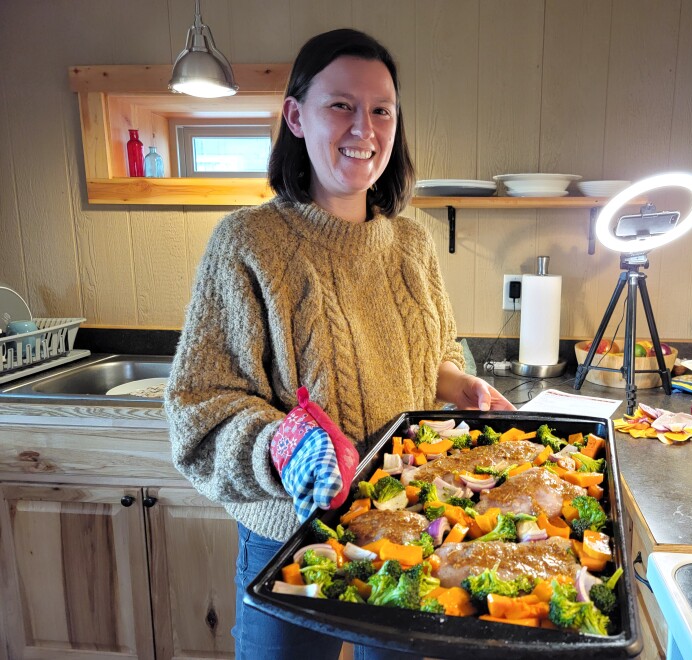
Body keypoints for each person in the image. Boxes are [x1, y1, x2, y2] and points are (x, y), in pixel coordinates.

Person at [165, 28, 515, 660]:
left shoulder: (412, 245)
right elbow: (200, 405)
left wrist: (454, 381)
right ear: (295, 116)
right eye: (341, 106)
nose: (366, 127)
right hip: (288, 536)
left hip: (411, 529)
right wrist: (284, 445)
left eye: (382, 109)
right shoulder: (247, 244)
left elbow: (438, 351)